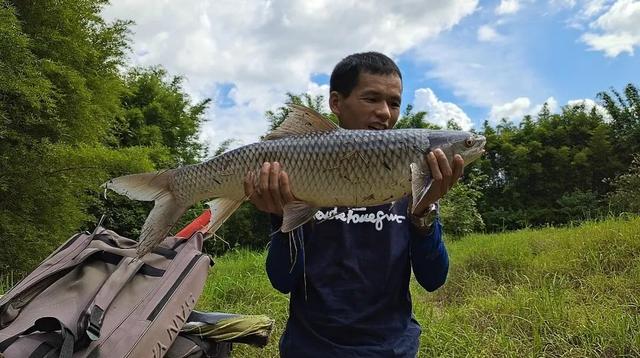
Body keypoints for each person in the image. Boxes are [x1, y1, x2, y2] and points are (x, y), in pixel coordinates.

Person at [243, 52, 464, 357]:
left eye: (394, 103)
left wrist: (423, 211)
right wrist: (281, 218)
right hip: (311, 349)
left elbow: (433, 279)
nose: (385, 113)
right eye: (371, 98)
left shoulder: (410, 175)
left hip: (392, 349)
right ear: (336, 102)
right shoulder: (295, 173)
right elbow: (282, 280)